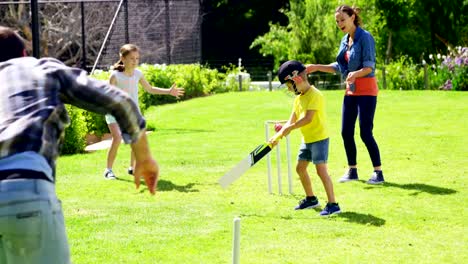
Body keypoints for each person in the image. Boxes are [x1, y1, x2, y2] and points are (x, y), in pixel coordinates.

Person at [0, 26, 159, 263]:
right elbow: (120, 101)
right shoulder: (42, 68)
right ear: (25, 54)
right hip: (24, 186)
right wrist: (144, 159)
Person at [299, 5, 384, 184]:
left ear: (353, 17)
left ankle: (378, 172)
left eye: (342, 20)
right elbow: (340, 67)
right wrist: (316, 67)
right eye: (337, 21)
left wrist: (356, 74)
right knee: (346, 132)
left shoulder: (365, 38)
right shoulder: (345, 40)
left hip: (367, 90)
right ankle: (352, 170)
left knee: (365, 132)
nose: (339, 24)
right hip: (351, 91)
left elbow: (370, 67)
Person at [104, 44, 184, 180]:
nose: (135, 61)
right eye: (131, 58)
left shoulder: (138, 74)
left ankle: (133, 168)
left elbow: (150, 89)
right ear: (122, 58)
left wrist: (168, 92)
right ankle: (108, 170)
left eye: (137, 58)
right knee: (117, 138)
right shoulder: (115, 76)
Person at [271, 60, 341, 216]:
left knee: (321, 171)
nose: (289, 89)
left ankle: (333, 204)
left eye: (289, 86)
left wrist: (290, 128)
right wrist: (279, 134)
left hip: (319, 138)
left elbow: (308, 118)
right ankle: (311, 199)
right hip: (307, 139)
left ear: (297, 79)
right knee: (300, 168)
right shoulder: (298, 99)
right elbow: (292, 120)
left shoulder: (315, 95)